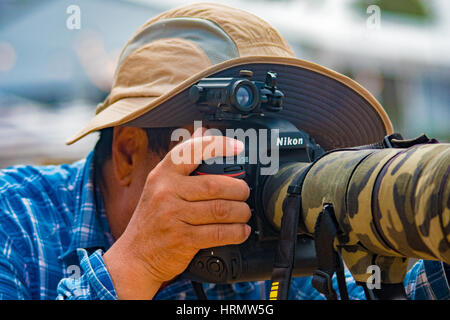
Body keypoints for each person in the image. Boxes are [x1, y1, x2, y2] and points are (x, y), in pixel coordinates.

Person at [0, 3, 448, 300]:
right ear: (128, 154)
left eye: (275, 152)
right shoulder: (15, 219)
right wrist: (139, 262)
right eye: (232, 157)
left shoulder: (267, 243)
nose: (257, 184)